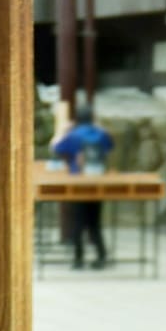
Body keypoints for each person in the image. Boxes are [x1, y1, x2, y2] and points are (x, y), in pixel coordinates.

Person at [52, 104, 115, 270]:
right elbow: (110, 147)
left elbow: (56, 147)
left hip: (78, 183)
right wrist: (100, 126)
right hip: (97, 181)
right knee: (95, 222)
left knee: (77, 222)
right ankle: (101, 256)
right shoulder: (101, 134)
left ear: (77, 119)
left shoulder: (74, 135)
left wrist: (64, 130)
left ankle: (78, 259)